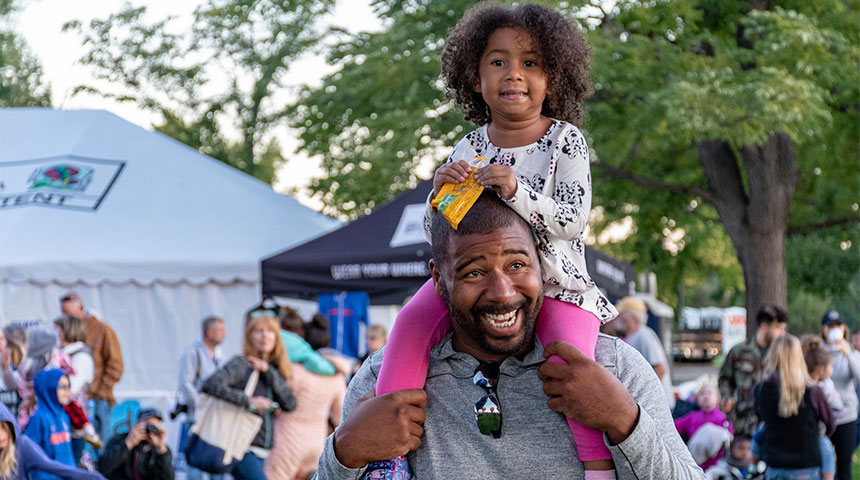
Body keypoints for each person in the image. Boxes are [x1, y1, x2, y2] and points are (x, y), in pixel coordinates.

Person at [370, 3, 619, 478]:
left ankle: (598, 466)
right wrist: (439, 195)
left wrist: (516, 192)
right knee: (408, 324)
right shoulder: (468, 147)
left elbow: (572, 219)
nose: (514, 74)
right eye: (498, 61)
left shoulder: (566, 141)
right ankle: (389, 457)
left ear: (554, 78)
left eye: (530, 63)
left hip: (557, 284)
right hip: (478, 281)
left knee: (572, 365)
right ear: (475, 76)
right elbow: (442, 238)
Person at [314, 190, 703, 479]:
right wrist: (345, 451)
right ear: (438, 279)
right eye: (474, 272)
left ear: (541, 260)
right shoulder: (382, 383)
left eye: (517, 264)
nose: (502, 292)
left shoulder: (615, 368)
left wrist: (624, 420)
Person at [201, 309, 297, 480]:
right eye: (259, 331)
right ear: (249, 336)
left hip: (262, 447)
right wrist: (248, 401)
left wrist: (268, 371)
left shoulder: (274, 368)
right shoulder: (242, 363)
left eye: (270, 331)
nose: (265, 336)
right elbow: (210, 384)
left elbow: (290, 404)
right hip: (242, 445)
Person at [265, 314, 348, 480]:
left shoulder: (292, 371)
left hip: (286, 440)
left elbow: (278, 407)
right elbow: (341, 417)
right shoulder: (336, 376)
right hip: (317, 443)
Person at [755, 334, 835, 480]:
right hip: (806, 464)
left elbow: (762, 420)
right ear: (798, 356)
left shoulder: (761, 389)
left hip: (775, 464)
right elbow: (831, 424)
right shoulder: (813, 390)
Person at [59, 293, 123, 444]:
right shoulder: (68, 333)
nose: (65, 318)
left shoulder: (102, 330)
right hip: (75, 403)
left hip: (97, 400)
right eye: (63, 314)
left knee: (100, 447)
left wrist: (99, 391)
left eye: (68, 313)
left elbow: (116, 365)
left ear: (81, 309)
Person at [718, 305, 787, 436]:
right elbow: (725, 379)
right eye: (778, 328)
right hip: (743, 423)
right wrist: (726, 397)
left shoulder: (784, 355)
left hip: (774, 422)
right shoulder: (739, 351)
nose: (782, 334)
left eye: (783, 329)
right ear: (764, 327)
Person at [176, 316, 226, 480]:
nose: (224, 334)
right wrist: (200, 405)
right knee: (195, 461)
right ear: (209, 332)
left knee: (216, 460)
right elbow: (186, 383)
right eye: (220, 330)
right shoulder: (193, 353)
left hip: (217, 417)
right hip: (198, 416)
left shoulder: (219, 355)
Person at [0, 403, 105, 480]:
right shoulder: (39, 418)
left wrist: (96, 478)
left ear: (10, 426)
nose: (1, 435)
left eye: (4, 427)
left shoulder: (21, 446)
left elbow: (56, 468)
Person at [52, 315, 100, 463]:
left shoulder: (81, 356)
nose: (56, 334)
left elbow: (71, 387)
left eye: (58, 330)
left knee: (72, 463)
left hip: (74, 424)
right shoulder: (61, 354)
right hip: (62, 419)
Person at [819, 310, 860, 480]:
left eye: (838, 326)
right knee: (822, 464)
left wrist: (848, 353)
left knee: (844, 467)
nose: (835, 330)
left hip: (847, 417)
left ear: (844, 329)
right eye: (831, 327)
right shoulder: (818, 353)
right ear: (824, 329)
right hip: (822, 417)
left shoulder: (853, 355)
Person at [615, 296, 674, 408]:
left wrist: (645, 398)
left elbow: (660, 369)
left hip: (657, 406)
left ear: (632, 318)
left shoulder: (643, 335)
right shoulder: (634, 335)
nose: (618, 319)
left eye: (622, 315)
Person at [23, 369, 75, 479]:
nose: (67, 391)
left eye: (68, 386)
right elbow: (27, 454)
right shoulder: (39, 419)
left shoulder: (64, 417)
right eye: (62, 387)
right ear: (49, 389)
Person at [802, 335, 841, 480]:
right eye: (831, 366)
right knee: (827, 451)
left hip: (804, 436)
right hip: (817, 434)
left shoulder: (801, 384)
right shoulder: (820, 389)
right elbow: (833, 417)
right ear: (820, 369)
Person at [97, 407, 174, 480]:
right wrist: (129, 443)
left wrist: (161, 450)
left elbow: (168, 478)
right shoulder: (120, 440)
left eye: (155, 427)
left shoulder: (160, 449)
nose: (151, 430)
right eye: (148, 425)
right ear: (138, 423)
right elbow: (103, 469)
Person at [674, 383, 732, 470]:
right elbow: (674, 427)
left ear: (717, 399)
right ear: (697, 400)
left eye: (709, 393)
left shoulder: (723, 419)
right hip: (694, 465)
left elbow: (728, 439)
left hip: (715, 467)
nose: (706, 396)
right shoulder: (692, 417)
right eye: (702, 393)